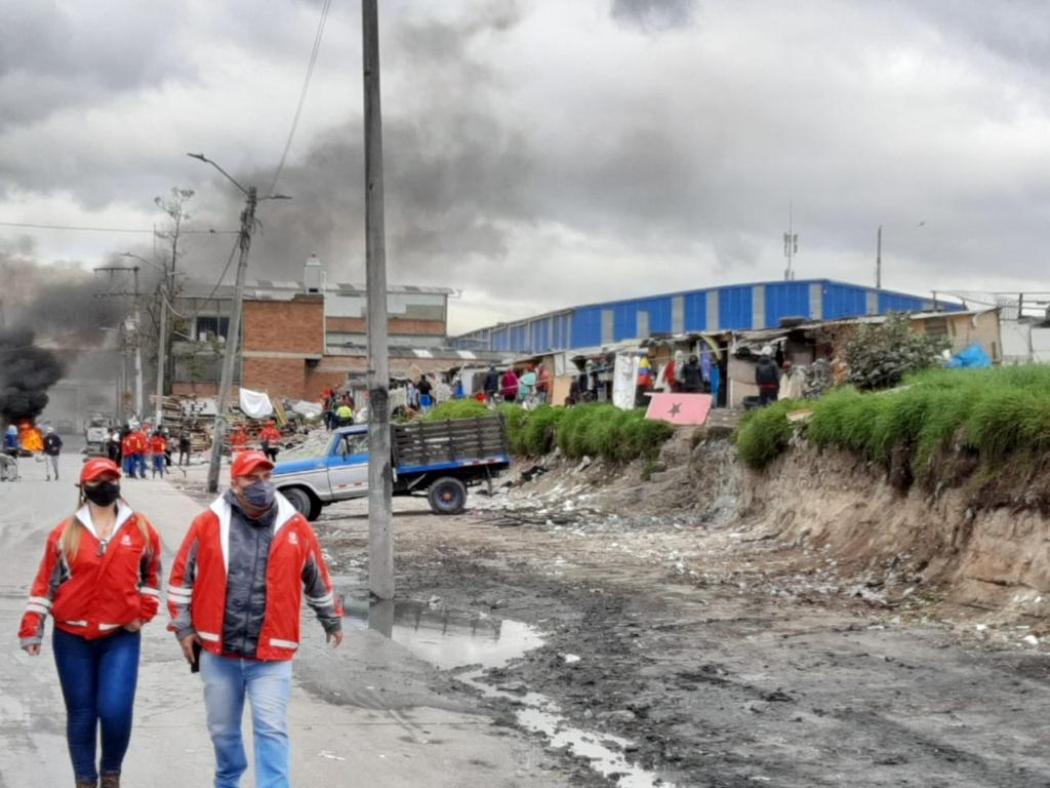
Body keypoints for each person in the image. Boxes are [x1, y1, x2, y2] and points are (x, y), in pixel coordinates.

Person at [168, 451, 343, 788]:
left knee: (271, 727)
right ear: (235, 484)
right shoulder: (207, 525)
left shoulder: (295, 527)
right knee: (222, 731)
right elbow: (181, 579)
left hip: (271, 655)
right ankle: (228, 779)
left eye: (266, 477)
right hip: (219, 654)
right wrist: (183, 627)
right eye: (252, 478)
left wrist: (332, 618)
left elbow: (317, 578)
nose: (261, 484)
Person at [19, 458, 161, 788]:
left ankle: (111, 775)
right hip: (71, 637)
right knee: (82, 714)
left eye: (111, 479)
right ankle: (85, 780)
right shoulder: (64, 532)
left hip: (120, 636)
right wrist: (32, 625)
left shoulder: (140, 528)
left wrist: (143, 611)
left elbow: (152, 575)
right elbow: (46, 583)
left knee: (114, 710)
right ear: (84, 488)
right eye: (98, 481)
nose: (105, 485)